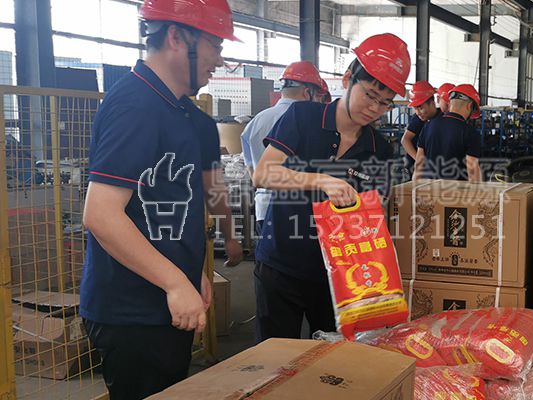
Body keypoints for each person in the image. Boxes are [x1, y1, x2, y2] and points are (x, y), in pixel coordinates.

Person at [80, 0, 243, 398]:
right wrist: (174, 282)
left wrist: (191, 271)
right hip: (133, 311)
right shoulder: (135, 105)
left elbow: (178, 203)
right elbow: (101, 215)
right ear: (176, 37)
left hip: (165, 303)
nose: (219, 60)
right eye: (215, 46)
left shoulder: (181, 113)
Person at [251, 33, 410, 341]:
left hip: (338, 277)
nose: (374, 108)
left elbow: (372, 216)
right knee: (273, 355)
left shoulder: (379, 149)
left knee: (332, 359)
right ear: (348, 79)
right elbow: (263, 174)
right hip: (281, 264)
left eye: (385, 103)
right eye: (370, 95)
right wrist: (322, 180)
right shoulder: (303, 117)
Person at [241, 61, 323, 235]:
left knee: (267, 250)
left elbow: (251, 167)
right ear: (307, 92)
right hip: (297, 208)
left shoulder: (257, 120)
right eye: (317, 95)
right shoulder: (310, 121)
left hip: (263, 207)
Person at [413, 83, 482, 182]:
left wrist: (414, 187)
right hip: (455, 190)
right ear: (469, 106)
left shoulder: (428, 126)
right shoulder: (470, 133)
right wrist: (479, 190)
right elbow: (472, 170)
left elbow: (419, 163)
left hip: (428, 188)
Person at [401, 81, 442, 176]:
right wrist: (419, 160)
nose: (418, 112)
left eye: (420, 108)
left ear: (432, 103)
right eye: (415, 108)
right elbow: (405, 140)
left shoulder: (441, 118)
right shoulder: (418, 119)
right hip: (414, 165)